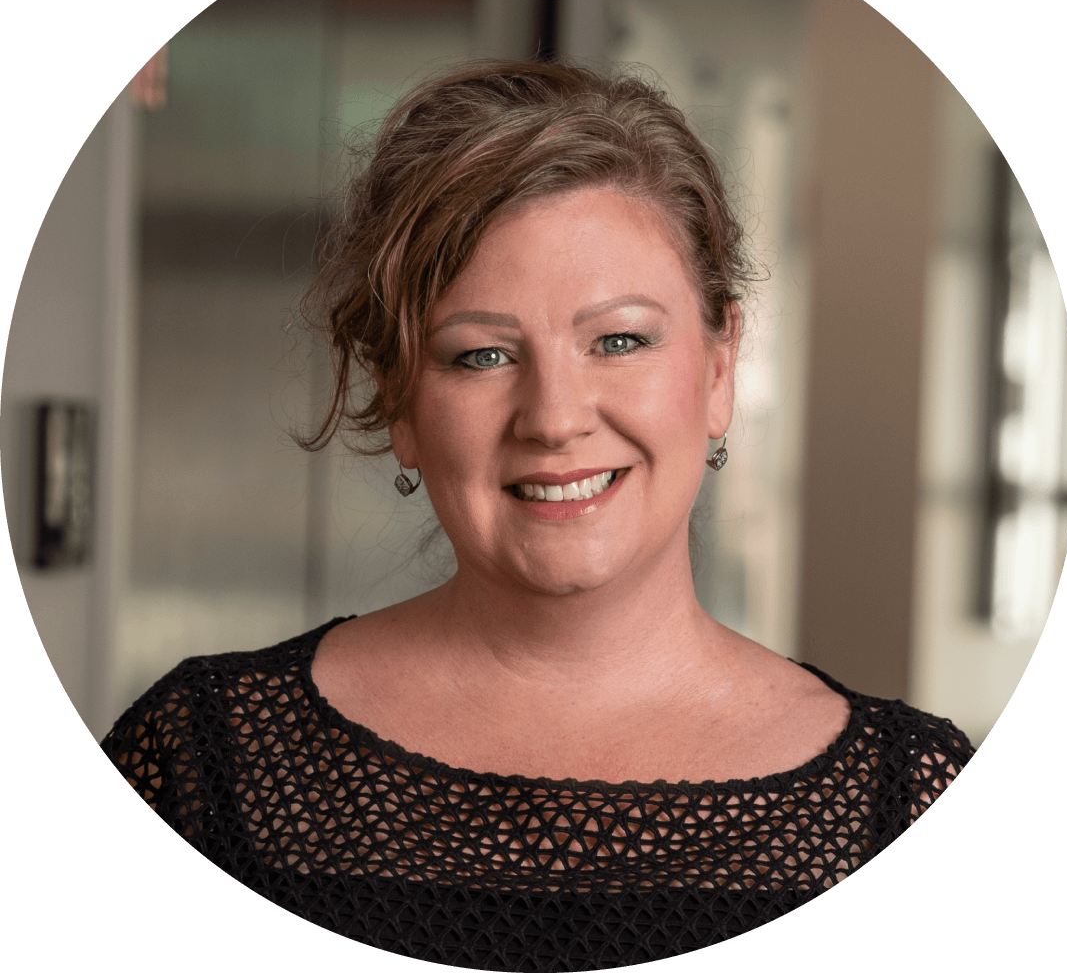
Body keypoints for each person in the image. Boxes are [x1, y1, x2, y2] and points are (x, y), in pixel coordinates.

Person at [101, 59, 974, 967]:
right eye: (479, 355)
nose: (555, 418)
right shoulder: (206, 765)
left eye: (620, 340)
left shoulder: (902, 798)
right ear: (398, 400)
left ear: (720, 369)